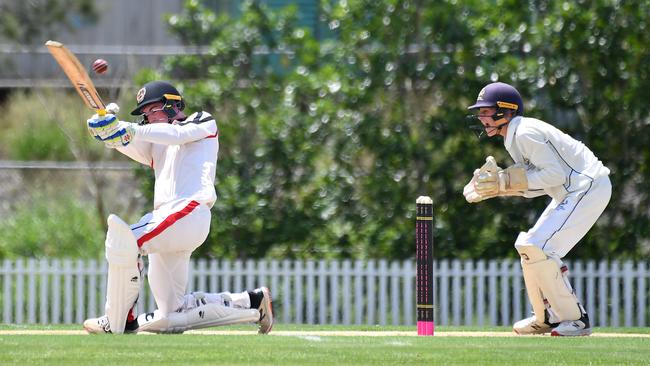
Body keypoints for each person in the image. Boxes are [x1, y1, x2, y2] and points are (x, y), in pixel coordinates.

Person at [83, 80, 273, 334]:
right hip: (170, 223)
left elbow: (176, 135)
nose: (147, 118)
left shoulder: (202, 121)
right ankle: (252, 303)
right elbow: (129, 142)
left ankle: (116, 320)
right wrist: (108, 134)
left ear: (172, 105)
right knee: (172, 313)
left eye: (152, 110)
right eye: (144, 115)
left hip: (189, 210)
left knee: (124, 240)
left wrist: (126, 128)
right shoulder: (156, 144)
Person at [463, 82, 611, 336]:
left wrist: (504, 182)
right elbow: (538, 183)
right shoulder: (514, 136)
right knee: (529, 246)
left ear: (505, 111)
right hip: (572, 191)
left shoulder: (524, 132)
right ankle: (546, 318)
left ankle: (575, 320)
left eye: (486, 112)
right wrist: (500, 187)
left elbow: (552, 175)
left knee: (540, 247)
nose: (481, 118)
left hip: (588, 186)